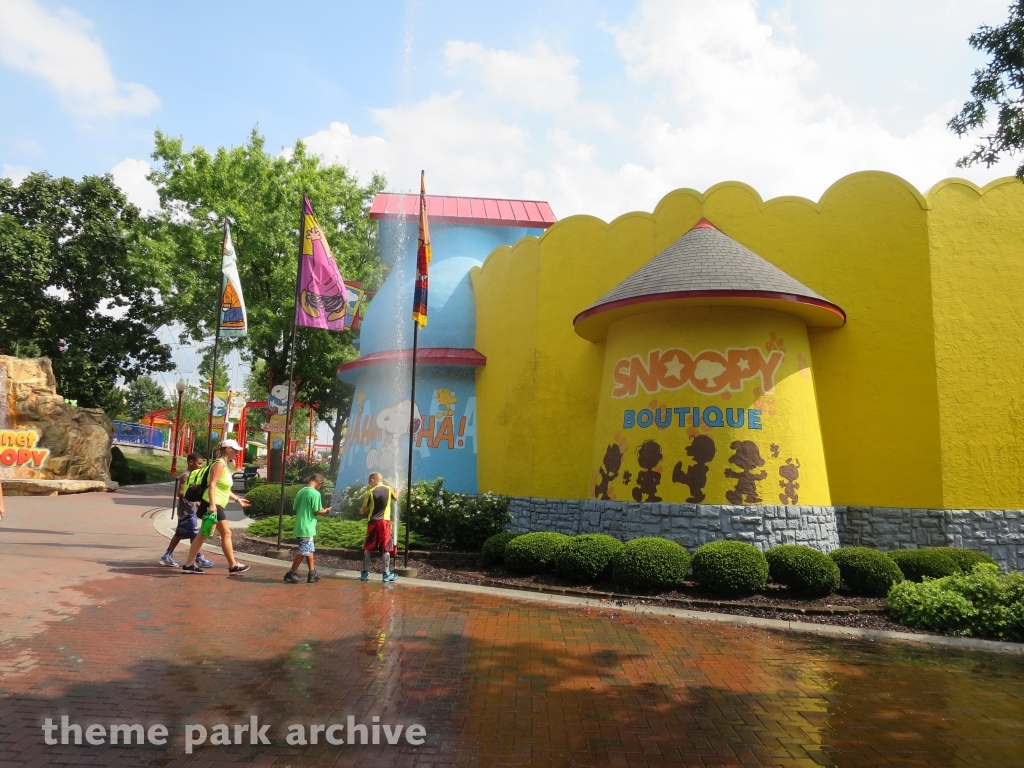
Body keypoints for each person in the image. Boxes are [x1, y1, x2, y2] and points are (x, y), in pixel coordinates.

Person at [181, 439, 251, 575]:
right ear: (228, 449)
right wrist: (212, 505)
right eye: (235, 450)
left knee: (202, 534)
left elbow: (223, 488)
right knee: (226, 533)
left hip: (213, 503)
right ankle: (233, 565)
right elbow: (212, 485)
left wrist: (238, 500)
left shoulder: (224, 465)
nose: (237, 453)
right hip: (212, 503)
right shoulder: (219, 464)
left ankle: (189, 564)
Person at [160, 453, 215, 568]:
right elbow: (180, 493)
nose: (201, 466)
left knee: (181, 533)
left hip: (190, 509)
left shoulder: (193, 475)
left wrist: (198, 502)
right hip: (186, 510)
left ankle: (167, 555)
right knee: (194, 534)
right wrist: (192, 494)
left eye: (201, 464)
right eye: (199, 463)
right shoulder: (186, 476)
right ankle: (199, 557)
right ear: (191, 462)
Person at [283, 473, 331, 584]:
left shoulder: (301, 491)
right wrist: (326, 510)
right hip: (307, 526)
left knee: (309, 550)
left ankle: (312, 573)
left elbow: (295, 507)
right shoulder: (315, 493)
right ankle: (291, 573)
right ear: (320, 482)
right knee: (303, 551)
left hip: (300, 525)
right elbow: (317, 511)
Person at [359, 472, 399, 583]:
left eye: (369, 482)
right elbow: (396, 498)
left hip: (373, 522)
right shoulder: (389, 489)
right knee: (385, 548)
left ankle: (364, 572)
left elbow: (364, 509)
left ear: (372, 480)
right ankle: (386, 574)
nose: (369, 484)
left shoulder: (370, 492)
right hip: (385, 523)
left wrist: (361, 511)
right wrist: (397, 492)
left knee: (368, 548)